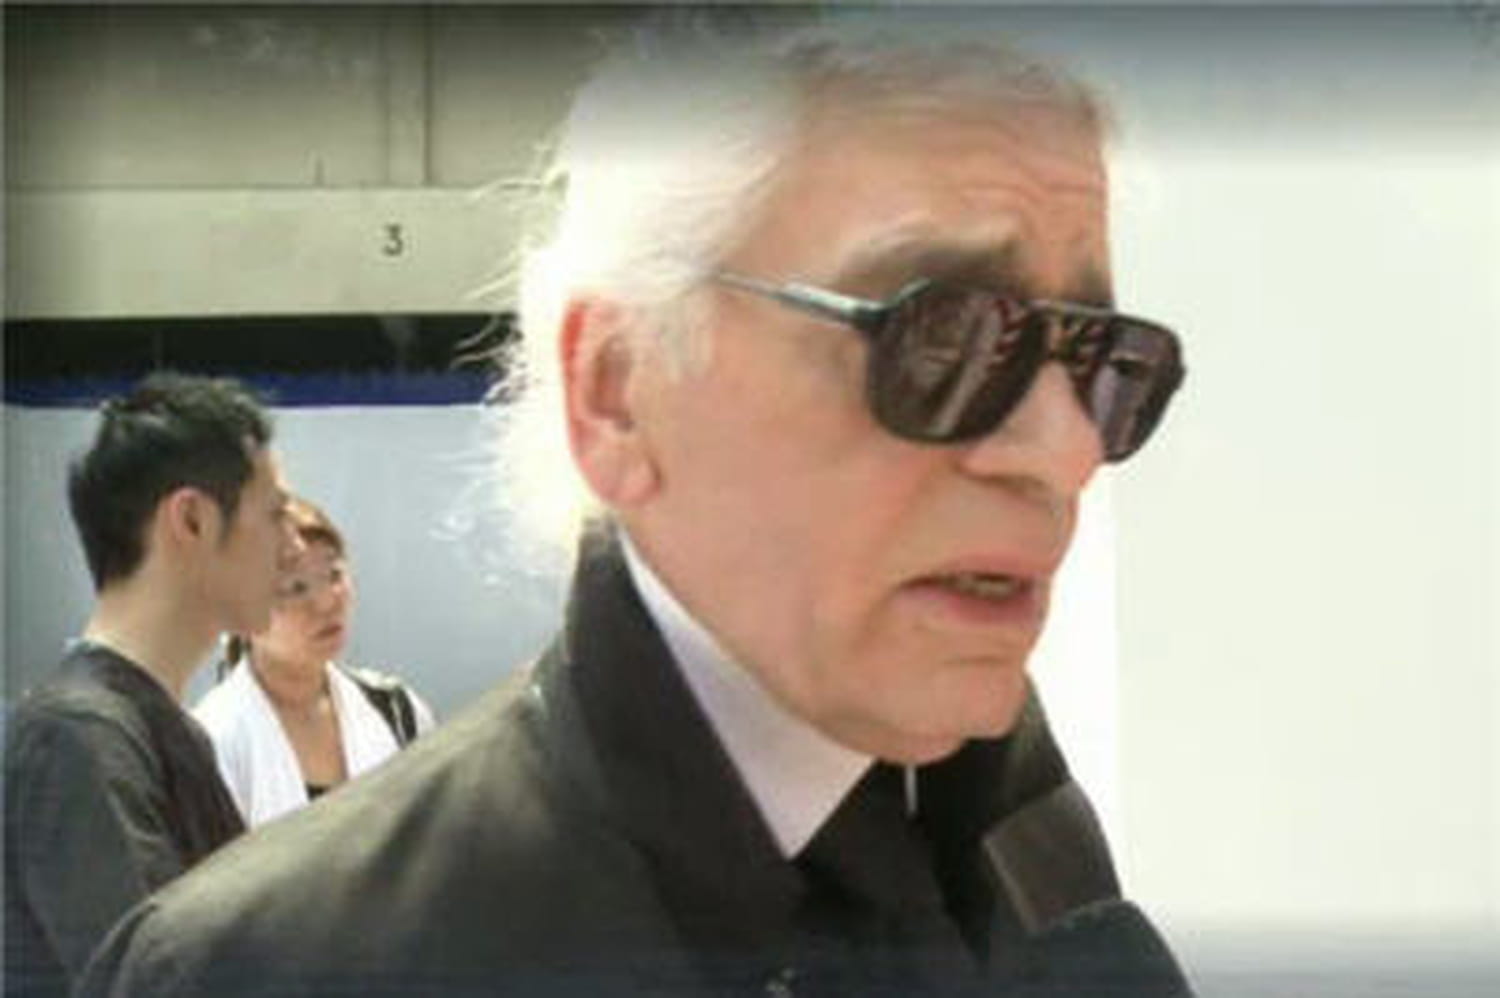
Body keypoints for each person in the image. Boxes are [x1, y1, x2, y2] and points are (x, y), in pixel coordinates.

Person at [82, 21, 1190, 996]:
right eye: (942, 337)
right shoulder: (273, 968)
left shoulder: (1025, 835)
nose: (1069, 449)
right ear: (616, 391)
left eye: (1102, 360)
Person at [3, 372, 303, 996]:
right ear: (190, 519)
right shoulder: (78, 738)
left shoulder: (151, 729)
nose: (296, 547)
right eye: (276, 515)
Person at [194, 496, 435, 827]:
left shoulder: (396, 709)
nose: (326, 602)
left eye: (334, 574)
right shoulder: (211, 741)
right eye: (295, 588)